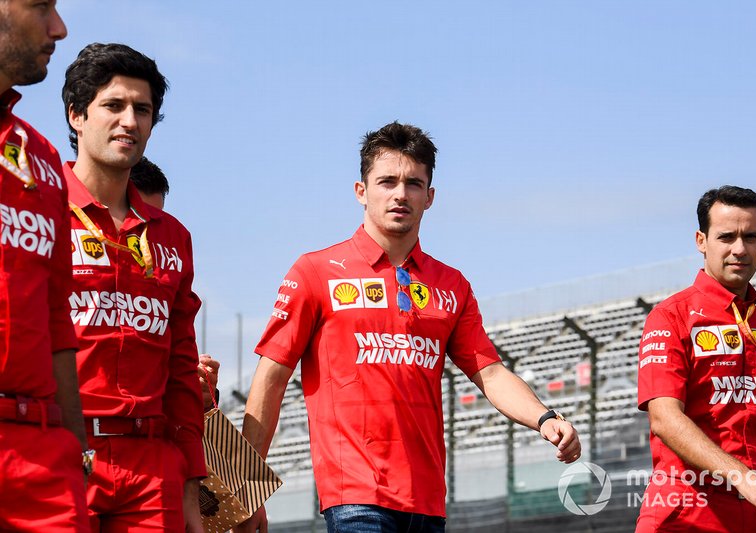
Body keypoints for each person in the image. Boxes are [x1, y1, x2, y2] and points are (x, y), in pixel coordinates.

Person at [236, 121, 581, 532]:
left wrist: (545, 418)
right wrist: (245, 488)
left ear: (430, 197)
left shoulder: (451, 284)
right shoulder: (315, 271)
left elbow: (489, 372)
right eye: (387, 181)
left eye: (413, 183)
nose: (400, 194)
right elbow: (271, 378)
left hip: (429, 502)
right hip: (356, 498)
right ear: (361, 191)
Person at [61, 43, 205, 532]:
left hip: (153, 466)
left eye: (142, 110)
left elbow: (183, 365)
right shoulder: (37, 208)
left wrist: (190, 481)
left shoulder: (173, 235)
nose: (129, 121)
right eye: (113, 105)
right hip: (60, 450)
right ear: (77, 115)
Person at [636, 185, 756, 532]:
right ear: (701, 241)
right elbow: (664, 419)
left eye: (750, 237)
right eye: (726, 237)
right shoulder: (670, 316)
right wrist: (744, 478)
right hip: (686, 515)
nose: (739, 249)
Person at [0, 2, 92, 531]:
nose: (59, 27)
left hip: (41, 463)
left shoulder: (41, 159)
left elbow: (57, 317)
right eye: (40, 5)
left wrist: (74, 449)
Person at [130, 155, 220, 410]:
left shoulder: (170, 269)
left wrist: (201, 392)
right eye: (139, 219)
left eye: (157, 221)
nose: (149, 234)